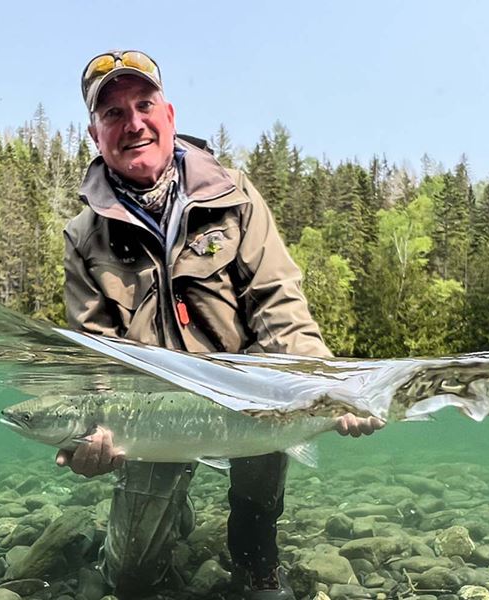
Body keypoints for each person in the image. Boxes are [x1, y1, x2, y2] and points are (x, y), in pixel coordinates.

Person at [59, 50, 384, 599]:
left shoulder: (234, 197)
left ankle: (256, 554)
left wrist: (325, 387)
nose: (133, 123)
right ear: (96, 134)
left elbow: (278, 302)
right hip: (151, 411)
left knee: (268, 423)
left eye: (144, 105)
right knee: (132, 578)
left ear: (170, 114)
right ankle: (171, 509)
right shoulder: (83, 235)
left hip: (247, 394)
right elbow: (98, 353)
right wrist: (98, 431)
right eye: (113, 114)